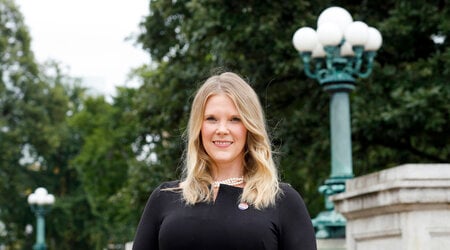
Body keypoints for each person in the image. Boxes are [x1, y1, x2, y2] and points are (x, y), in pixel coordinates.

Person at [132, 71, 317, 250]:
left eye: (235, 119)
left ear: (249, 127)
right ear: (199, 126)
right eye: (211, 119)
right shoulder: (164, 198)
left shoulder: (283, 201)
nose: (222, 129)